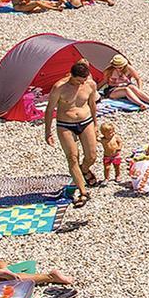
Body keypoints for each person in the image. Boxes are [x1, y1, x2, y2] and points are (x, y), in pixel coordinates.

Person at [42, 61, 101, 205]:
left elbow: (92, 104)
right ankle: (83, 192)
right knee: (72, 157)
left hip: (86, 121)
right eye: (79, 80)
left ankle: (83, 170)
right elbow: (50, 109)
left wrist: (95, 124)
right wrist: (48, 132)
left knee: (92, 156)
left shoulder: (90, 84)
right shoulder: (59, 87)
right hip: (65, 124)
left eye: (84, 80)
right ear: (72, 76)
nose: (82, 83)